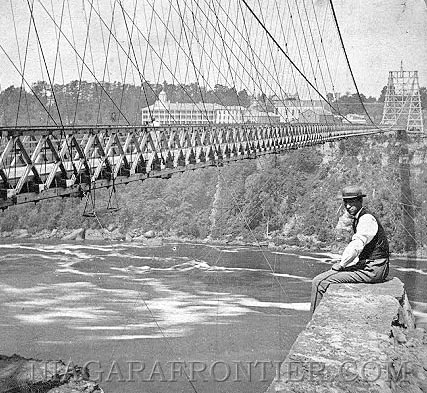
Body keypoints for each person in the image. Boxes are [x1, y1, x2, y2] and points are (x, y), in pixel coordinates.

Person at [310, 185, 390, 314]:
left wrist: (342, 264)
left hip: (373, 269)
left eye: (352, 202)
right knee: (330, 275)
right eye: (346, 202)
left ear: (360, 201)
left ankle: (313, 322)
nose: (348, 206)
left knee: (319, 281)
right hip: (372, 266)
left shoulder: (366, 219)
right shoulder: (360, 217)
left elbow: (357, 244)